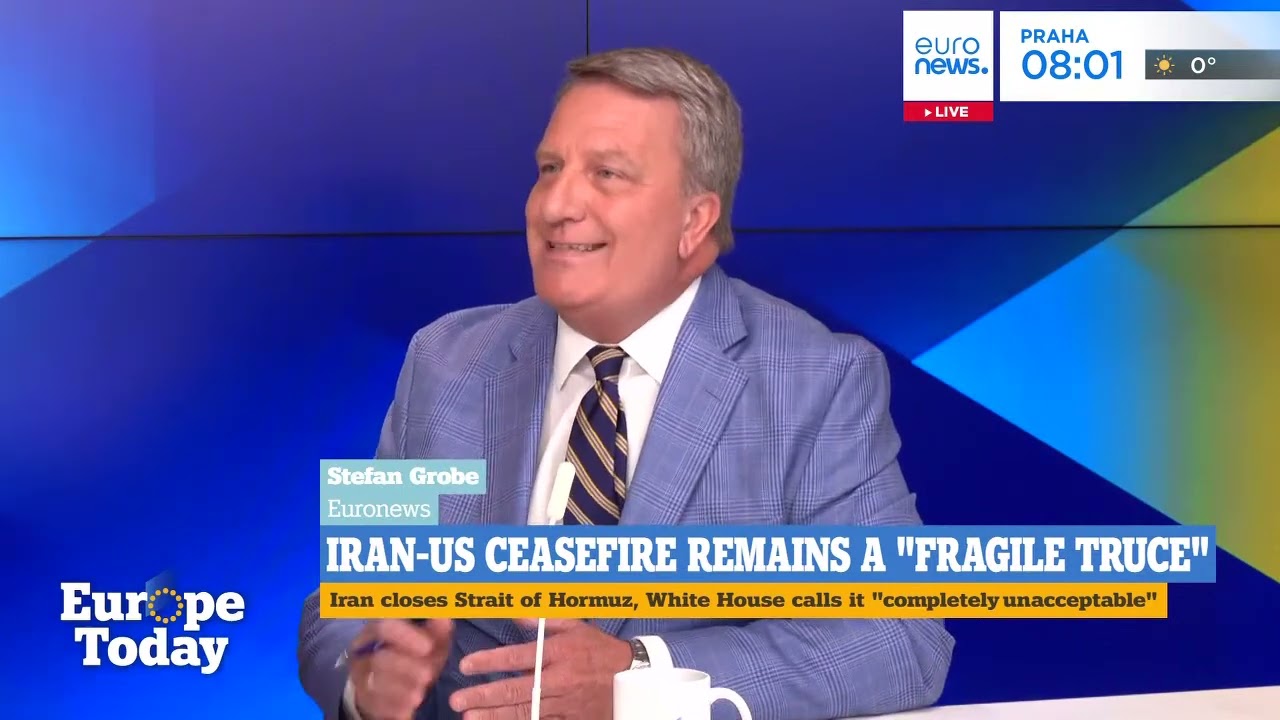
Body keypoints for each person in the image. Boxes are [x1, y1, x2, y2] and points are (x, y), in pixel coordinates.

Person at [298, 46, 954, 720]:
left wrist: (641, 677)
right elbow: (339, 607)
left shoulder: (815, 381)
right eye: (549, 169)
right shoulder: (444, 361)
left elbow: (901, 636)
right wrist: (367, 671)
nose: (557, 204)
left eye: (606, 174)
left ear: (694, 220)